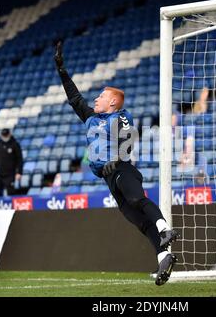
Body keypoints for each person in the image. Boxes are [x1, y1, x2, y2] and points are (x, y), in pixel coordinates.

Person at [54, 41, 178, 286]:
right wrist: (62, 70)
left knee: (136, 200)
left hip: (122, 169)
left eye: (101, 96)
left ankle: (165, 228)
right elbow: (75, 97)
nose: (96, 99)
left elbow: (128, 138)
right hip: (109, 179)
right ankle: (164, 256)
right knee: (138, 220)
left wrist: (116, 159)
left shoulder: (120, 116)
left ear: (112, 102)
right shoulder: (91, 118)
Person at [0, 128, 23, 197]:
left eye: (6, 135)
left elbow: (20, 159)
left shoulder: (15, 144)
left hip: (10, 173)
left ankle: (13, 206)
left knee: (11, 192)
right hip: (0, 173)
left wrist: (19, 172)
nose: (5, 137)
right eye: (3, 135)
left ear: (9, 134)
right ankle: (1, 203)